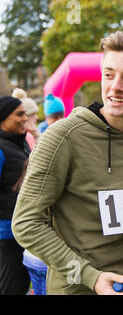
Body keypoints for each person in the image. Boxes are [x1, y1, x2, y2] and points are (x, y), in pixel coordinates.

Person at [12, 31, 123, 295]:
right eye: (109, 75)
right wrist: (90, 276)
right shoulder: (62, 136)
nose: (115, 86)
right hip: (75, 289)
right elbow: (26, 222)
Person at [0, 95, 31, 295]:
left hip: (23, 230)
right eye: (19, 114)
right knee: (10, 288)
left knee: (20, 285)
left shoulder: (21, 143)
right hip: (7, 234)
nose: (25, 118)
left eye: (25, 114)